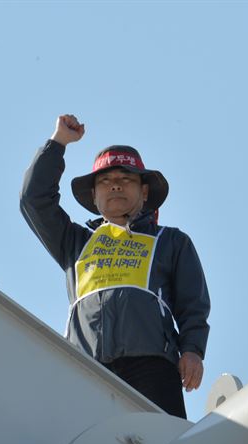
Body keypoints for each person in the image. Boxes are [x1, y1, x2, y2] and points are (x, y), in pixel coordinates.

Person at [20, 114, 210, 419]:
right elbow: (33, 200)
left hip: (152, 366)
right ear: (94, 196)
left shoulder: (171, 241)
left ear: (144, 192)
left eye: (125, 179)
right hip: (84, 367)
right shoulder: (75, 243)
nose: (115, 187)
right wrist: (58, 143)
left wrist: (193, 350)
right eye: (105, 181)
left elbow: (193, 305)